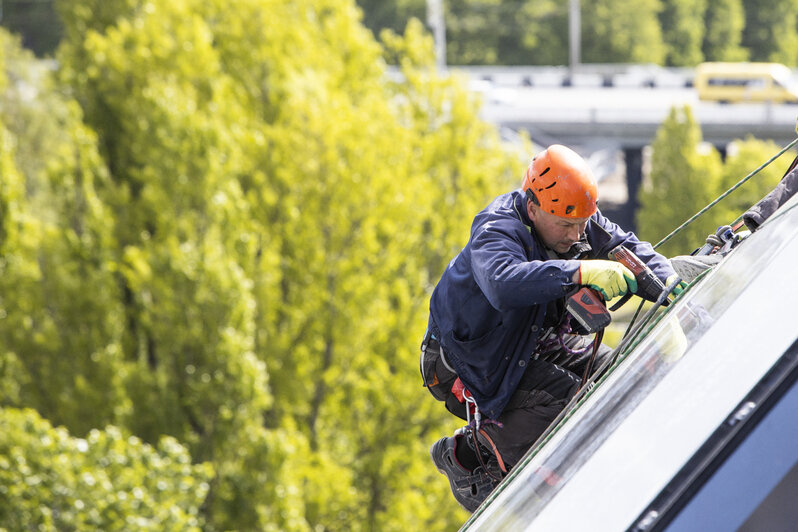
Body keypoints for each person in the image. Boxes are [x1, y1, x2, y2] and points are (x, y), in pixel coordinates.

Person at [420, 144, 679, 512]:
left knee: (623, 377)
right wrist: (580, 272)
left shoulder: (574, 218)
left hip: (530, 339)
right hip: (471, 361)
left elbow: (625, 246)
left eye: (581, 225)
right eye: (566, 225)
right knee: (578, 407)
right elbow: (503, 283)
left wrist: (670, 285)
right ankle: (468, 455)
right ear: (532, 208)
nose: (576, 236)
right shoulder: (496, 229)